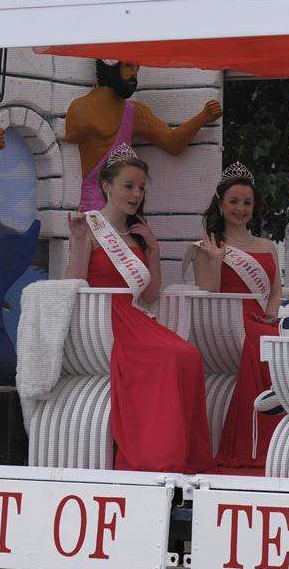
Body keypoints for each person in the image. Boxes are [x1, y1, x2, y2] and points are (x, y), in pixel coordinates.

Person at [65, 146, 213, 472]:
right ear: (107, 186)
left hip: (135, 315)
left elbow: (149, 296)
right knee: (169, 357)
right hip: (103, 319)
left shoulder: (137, 235)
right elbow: (73, 285)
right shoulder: (88, 227)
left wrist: (155, 250)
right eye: (128, 186)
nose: (136, 194)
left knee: (188, 356)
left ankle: (186, 462)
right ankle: (156, 460)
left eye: (142, 187)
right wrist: (77, 241)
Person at [191, 162, 283, 467]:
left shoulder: (267, 246)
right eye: (234, 202)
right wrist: (215, 260)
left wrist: (271, 315)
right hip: (227, 323)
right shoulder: (209, 244)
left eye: (247, 202)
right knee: (265, 341)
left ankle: (281, 441)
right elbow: (208, 291)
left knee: (288, 339)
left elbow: (275, 292)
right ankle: (255, 444)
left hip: (261, 320)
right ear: (220, 203)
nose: (241, 208)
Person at [65, 59, 223, 211]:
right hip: (93, 212)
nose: (134, 73)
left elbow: (172, 143)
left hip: (123, 211)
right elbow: (70, 140)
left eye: (137, 67)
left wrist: (203, 117)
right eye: (127, 66)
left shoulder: (136, 113)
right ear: (108, 67)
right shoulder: (81, 109)